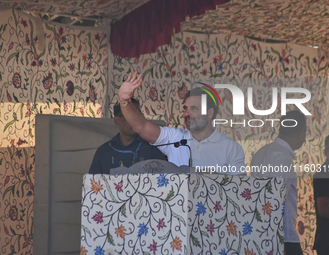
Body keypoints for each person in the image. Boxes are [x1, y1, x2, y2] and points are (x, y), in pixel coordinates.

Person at [117, 71, 245, 174]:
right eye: (186, 109)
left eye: (193, 109)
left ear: (210, 113)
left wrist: (211, 177)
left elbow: (240, 188)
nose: (186, 114)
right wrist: (124, 101)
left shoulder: (232, 148)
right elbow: (141, 126)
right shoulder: (176, 138)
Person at [251, 110, 306, 255]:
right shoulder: (282, 158)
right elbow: (276, 201)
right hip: (282, 237)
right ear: (301, 134)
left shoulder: (260, 153)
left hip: (262, 234)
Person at [89, 98, 166, 174]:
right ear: (117, 120)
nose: (134, 121)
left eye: (138, 116)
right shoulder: (104, 151)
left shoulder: (152, 148)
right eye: (130, 116)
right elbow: (93, 183)